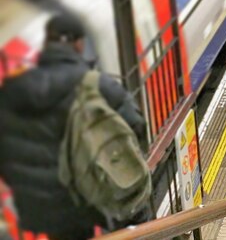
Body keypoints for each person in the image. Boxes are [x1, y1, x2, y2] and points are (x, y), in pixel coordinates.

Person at [0, 15, 147, 240]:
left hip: (41, 209)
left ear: (47, 43)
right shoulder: (95, 84)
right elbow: (135, 124)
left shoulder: (12, 91)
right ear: (78, 44)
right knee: (135, 222)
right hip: (89, 199)